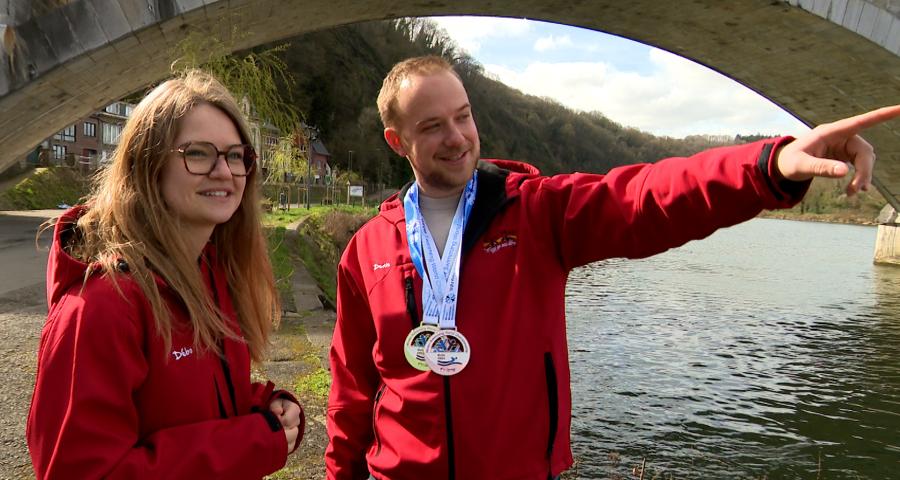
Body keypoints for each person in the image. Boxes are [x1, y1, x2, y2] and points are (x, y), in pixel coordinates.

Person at [325, 55, 899, 479]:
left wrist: (769, 166)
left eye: (464, 116)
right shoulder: (368, 248)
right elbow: (352, 390)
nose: (457, 138)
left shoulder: (537, 212)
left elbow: (647, 198)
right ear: (397, 140)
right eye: (432, 127)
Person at [27, 70, 304, 479]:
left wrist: (263, 404)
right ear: (148, 165)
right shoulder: (101, 307)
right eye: (198, 154)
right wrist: (254, 440)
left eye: (234, 155)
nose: (224, 172)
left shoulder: (208, 275)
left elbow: (191, 398)